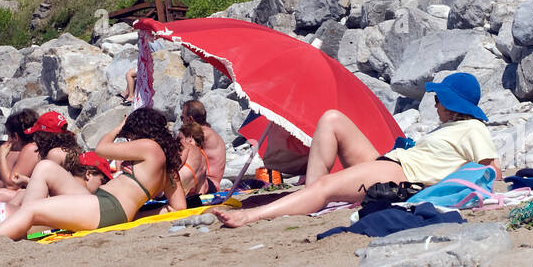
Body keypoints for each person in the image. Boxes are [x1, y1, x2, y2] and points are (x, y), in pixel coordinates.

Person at [214, 73, 501, 229]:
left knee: (327, 186)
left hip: (402, 174)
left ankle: (252, 216)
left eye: (439, 98)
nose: (435, 103)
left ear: (453, 104)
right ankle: (310, 196)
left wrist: (441, 179)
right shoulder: (448, 129)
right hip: (393, 162)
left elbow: (491, 171)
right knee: (332, 118)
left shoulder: (473, 129)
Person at [0, 109, 187, 243]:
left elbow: (101, 148)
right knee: (46, 167)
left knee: (32, 208)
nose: (129, 138)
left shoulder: (149, 147)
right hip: (105, 206)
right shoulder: (168, 167)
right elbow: (178, 208)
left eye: (130, 134)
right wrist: (136, 216)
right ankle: (22, 225)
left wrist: (119, 127)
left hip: (107, 208)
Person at [181, 99, 226, 185]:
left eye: (182, 118)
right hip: (211, 183)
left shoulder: (199, 133)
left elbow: (180, 152)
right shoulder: (210, 132)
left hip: (206, 184)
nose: (182, 121)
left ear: (190, 119)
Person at [176, 119, 217, 203]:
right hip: (190, 186)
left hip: (178, 182)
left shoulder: (186, 147)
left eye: (180, 138)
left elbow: (177, 165)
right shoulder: (203, 156)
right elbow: (201, 185)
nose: (179, 141)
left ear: (190, 138)